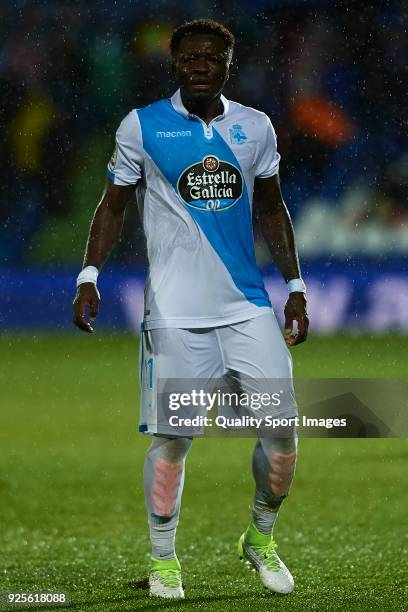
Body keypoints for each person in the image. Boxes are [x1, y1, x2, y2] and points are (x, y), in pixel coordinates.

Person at [73, 19, 309, 600]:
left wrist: (296, 285)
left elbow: (273, 210)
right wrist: (89, 275)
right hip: (175, 316)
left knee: (282, 437)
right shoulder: (143, 126)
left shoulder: (254, 127)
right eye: (188, 59)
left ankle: (260, 536)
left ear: (229, 63)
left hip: (248, 307)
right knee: (174, 440)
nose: (199, 66)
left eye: (211, 58)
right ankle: (163, 560)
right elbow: (112, 207)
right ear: (174, 64)